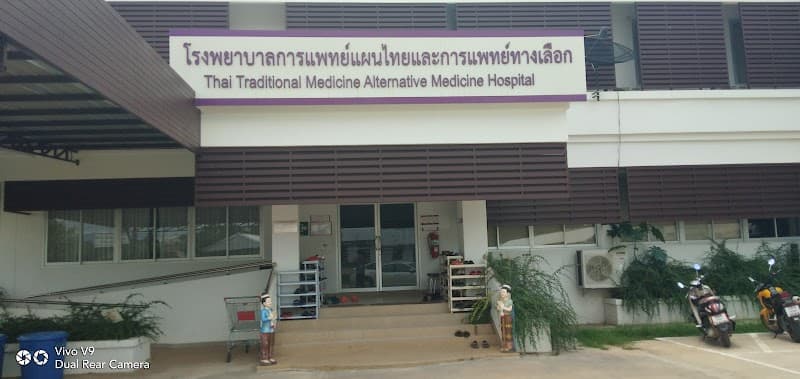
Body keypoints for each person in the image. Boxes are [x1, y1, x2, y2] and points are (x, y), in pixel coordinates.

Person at [259, 293, 277, 365]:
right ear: (264, 303)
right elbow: (263, 319)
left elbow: (273, 317)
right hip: (265, 330)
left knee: (271, 343)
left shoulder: (271, 310)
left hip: (271, 330)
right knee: (265, 344)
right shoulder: (263, 311)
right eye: (268, 301)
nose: (270, 303)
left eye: (270, 301)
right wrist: (269, 318)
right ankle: (264, 358)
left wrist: (274, 317)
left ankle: (270, 356)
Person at [496, 284, 514, 352]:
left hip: (507, 317)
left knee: (508, 331)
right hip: (502, 316)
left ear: (507, 293)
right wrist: (499, 307)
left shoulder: (509, 301)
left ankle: (509, 346)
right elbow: (498, 308)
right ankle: (504, 345)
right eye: (501, 292)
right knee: (503, 330)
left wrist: (503, 307)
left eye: (503, 292)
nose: (502, 293)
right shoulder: (501, 301)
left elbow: (509, 309)